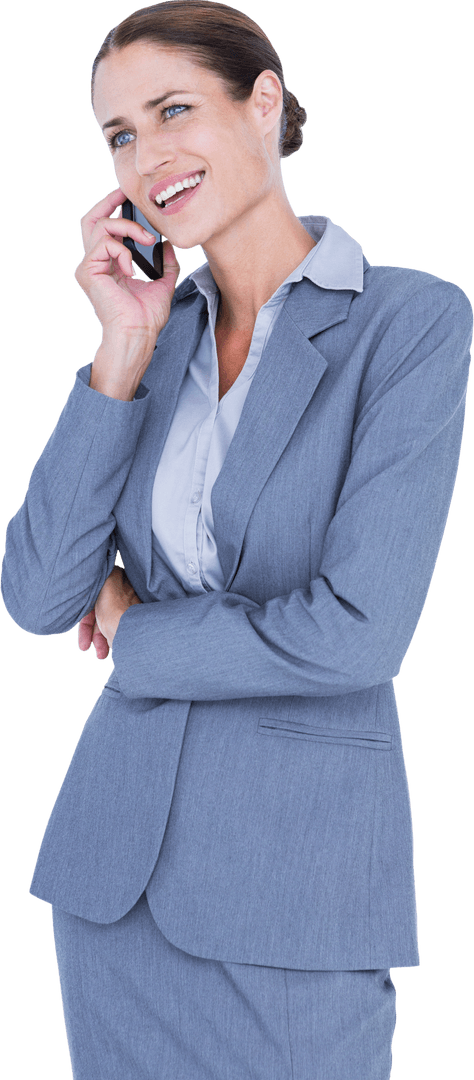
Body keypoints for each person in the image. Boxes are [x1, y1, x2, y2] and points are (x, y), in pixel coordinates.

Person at [1, 1, 472, 1077]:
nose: (148, 154)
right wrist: (121, 347)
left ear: (263, 102)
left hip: (298, 891)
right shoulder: (154, 339)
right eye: (120, 134)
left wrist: (137, 634)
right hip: (113, 887)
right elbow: (36, 596)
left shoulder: (409, 323)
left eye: (174, 110)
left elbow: (357, 634)